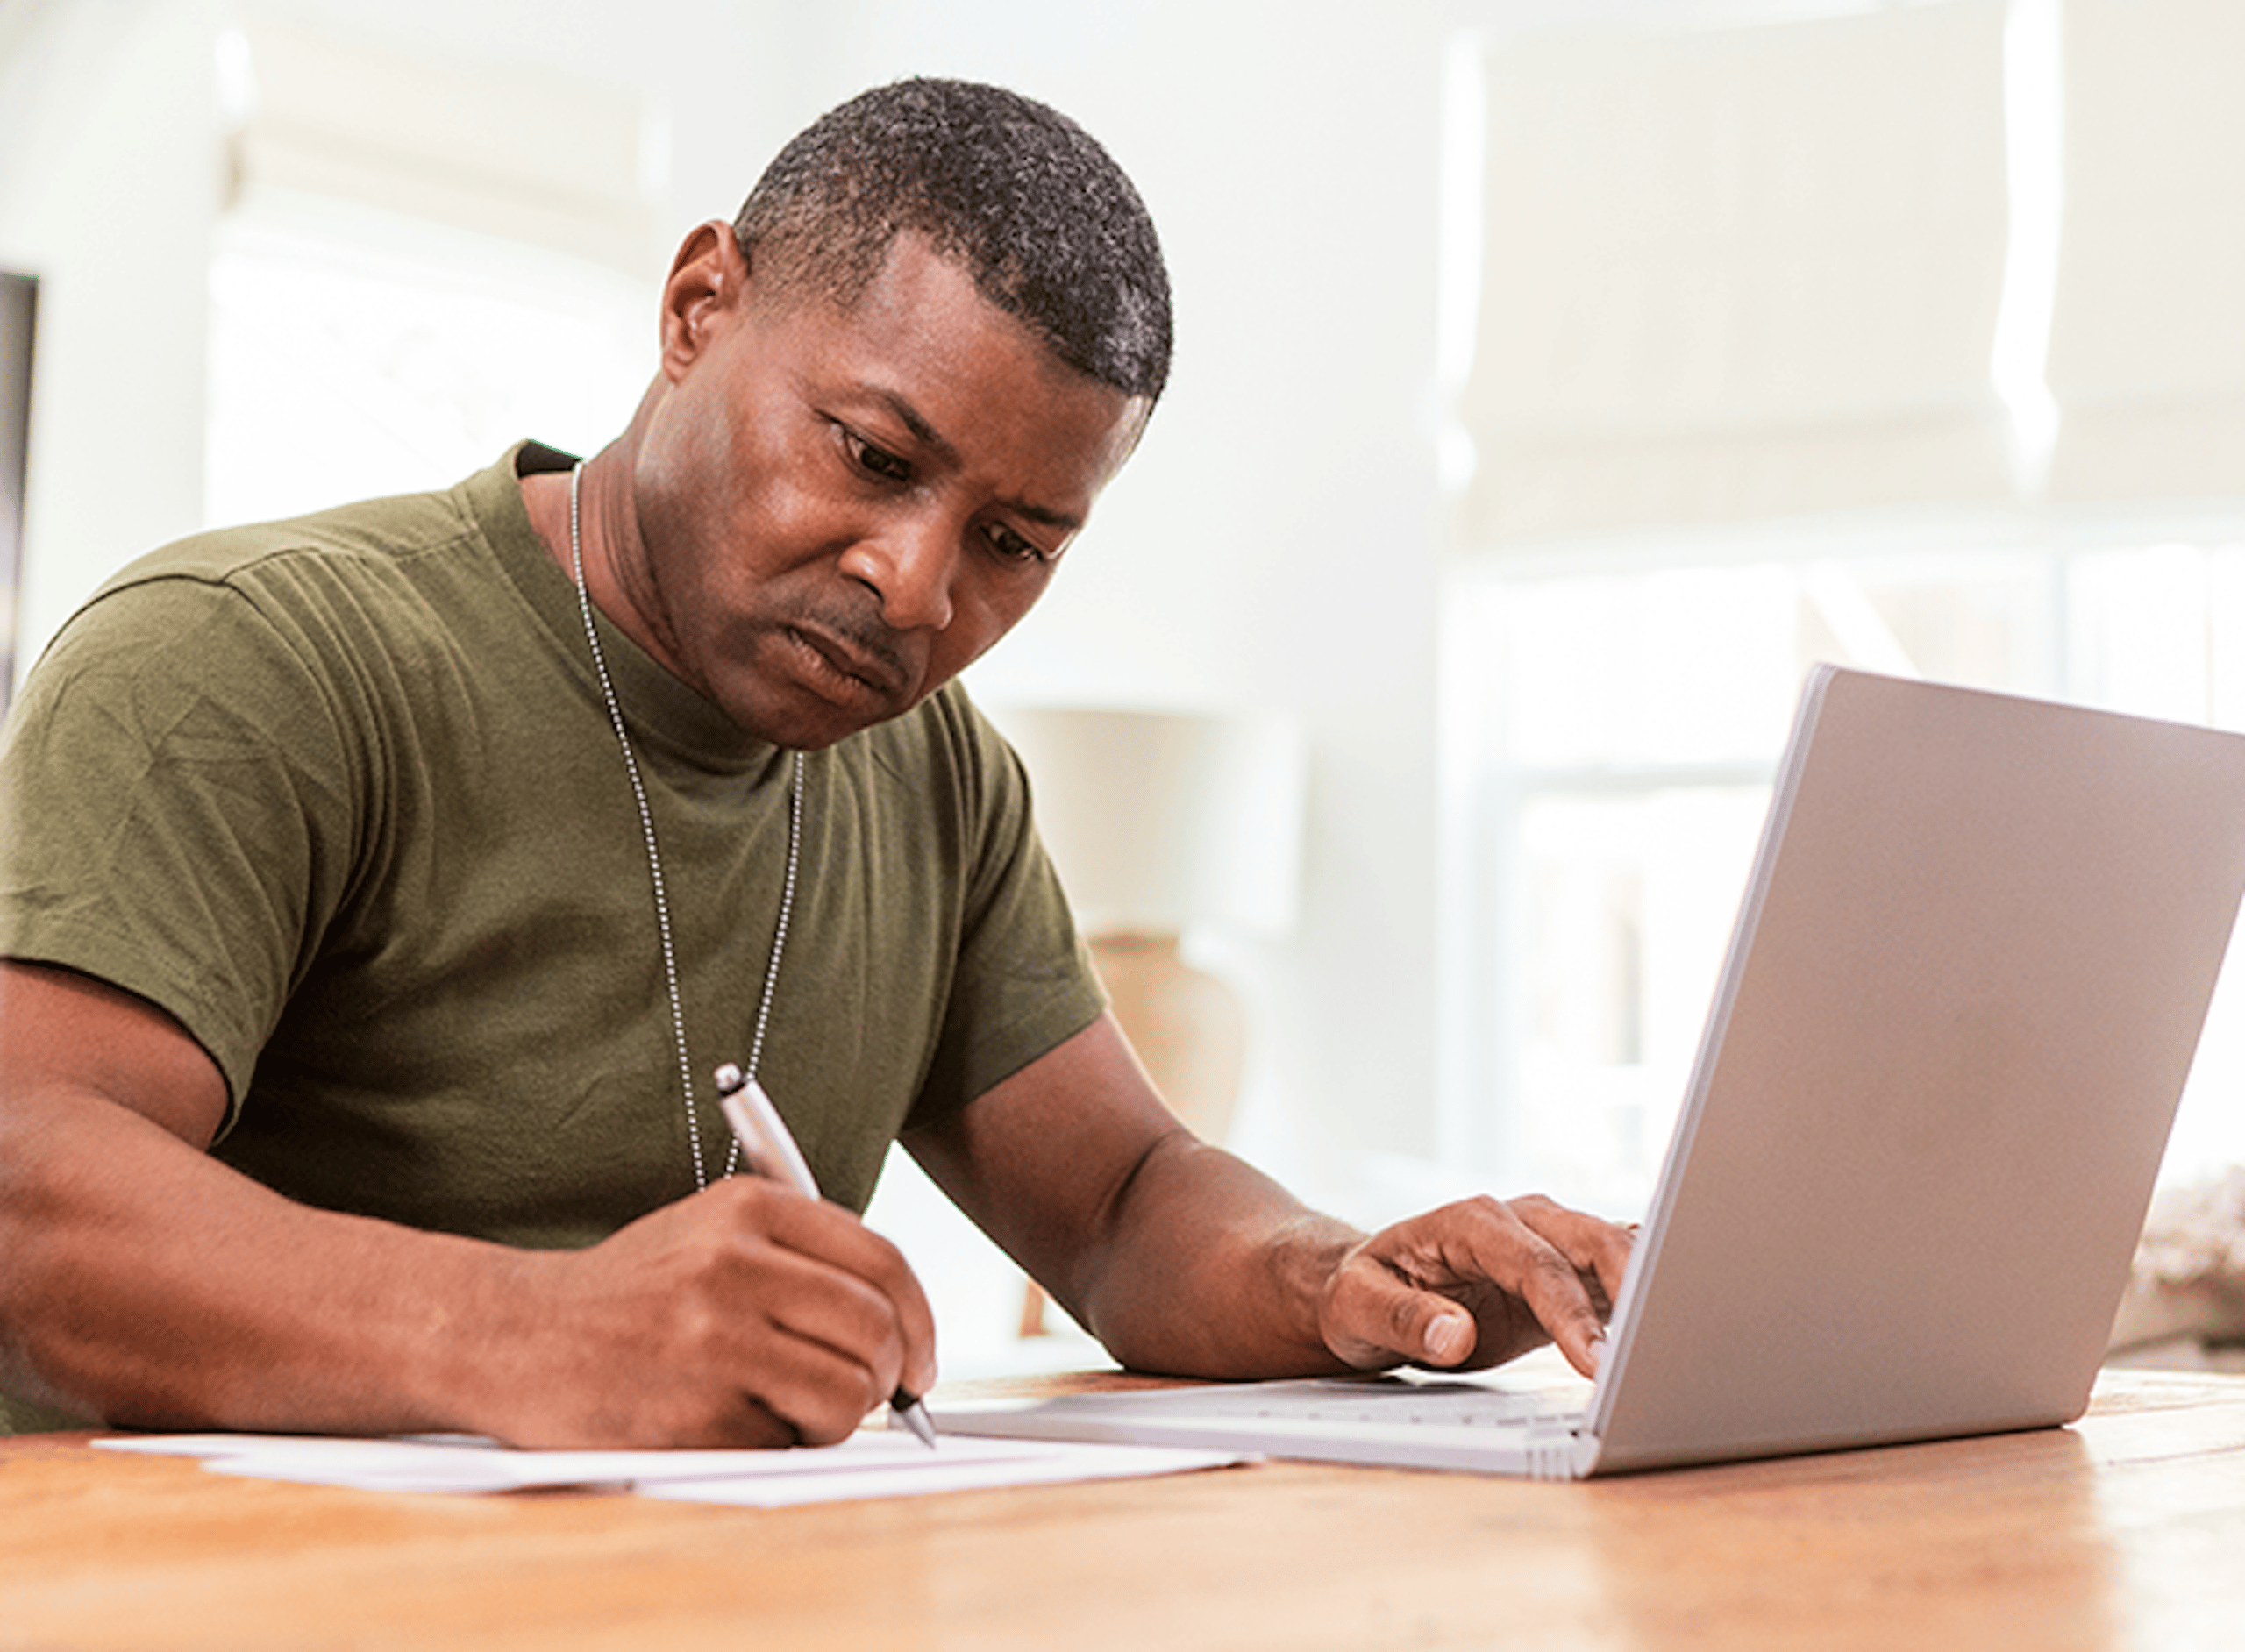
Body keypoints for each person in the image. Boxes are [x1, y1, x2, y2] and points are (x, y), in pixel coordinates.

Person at [0, 78, 1630, 1446]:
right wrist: (529, 1330)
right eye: (871, 456)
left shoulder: (934, 776)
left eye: (1012, 540)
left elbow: (1125, 1200)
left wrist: (1347, 1283)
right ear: (700, 305)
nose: (917, 586)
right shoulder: (251, 658)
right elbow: (28, 1186)